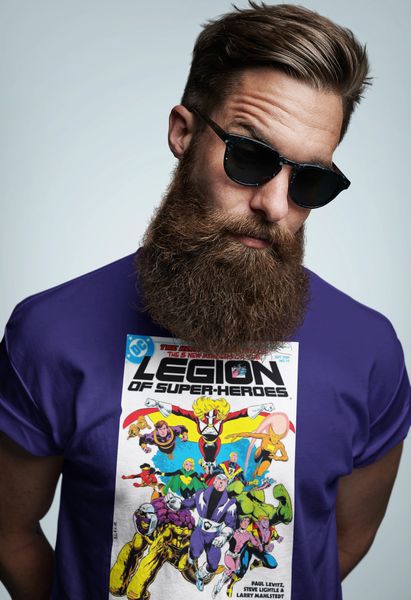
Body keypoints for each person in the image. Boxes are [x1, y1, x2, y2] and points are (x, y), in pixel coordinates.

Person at [0, 3, 409, 600]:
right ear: (184, 132)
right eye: (250, 157)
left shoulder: (369, 350)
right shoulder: (49, 333)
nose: (275, 205)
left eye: (311, 180)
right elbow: (8, 530)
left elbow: (338, 544)